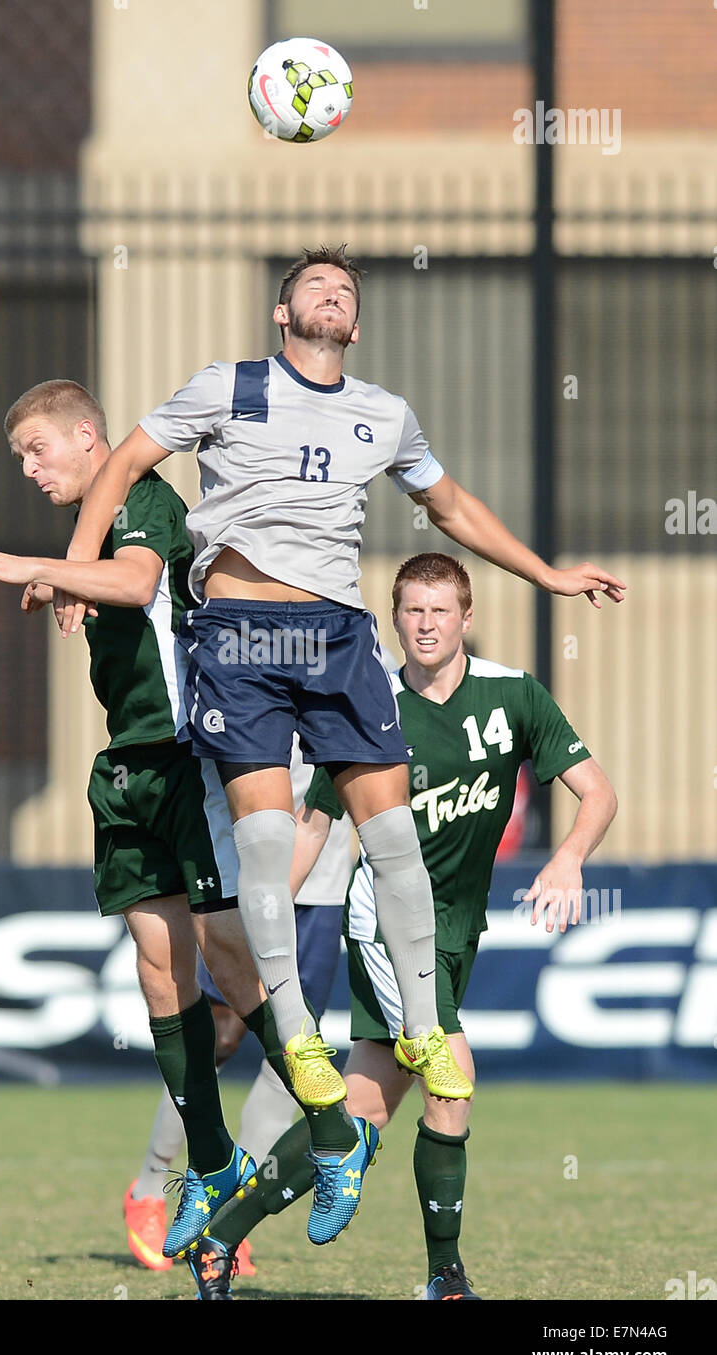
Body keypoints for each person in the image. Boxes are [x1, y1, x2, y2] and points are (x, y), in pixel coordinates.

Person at [58, 245, 626, 1170]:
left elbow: (453, 508)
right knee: (269, 846)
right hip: (238, 636)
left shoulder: (384, 413)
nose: (332, 296)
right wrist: (83, 571)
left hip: (337, 638)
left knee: (392, 837)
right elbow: (122, 463)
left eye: (345, 293)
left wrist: (547, 574)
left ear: (352, 327)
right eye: (314, 287)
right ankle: (300, 1041)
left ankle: (424, 1027)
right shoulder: (229, 386)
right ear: (283, 316)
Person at [0, 379, 370, 1253]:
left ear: (86, 436)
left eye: (38, 450)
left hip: (190, 756)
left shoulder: (144, 496)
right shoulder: (94, 526)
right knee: (158, 970)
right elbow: (107, 580)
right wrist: (64, 577)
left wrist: (40, 569)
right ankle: (213, 1160)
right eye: (20, 458)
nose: (29, 469)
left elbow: (139, 582)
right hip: (129, 765)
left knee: (225, 956)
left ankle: (331, 1129)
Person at [185, 552, 618, 1300]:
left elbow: (598, 793)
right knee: (452, 1080)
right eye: (412, 611)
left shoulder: (513, 696)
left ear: (465, 618)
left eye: (439, 610)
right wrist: (267, 917)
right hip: (383, 926)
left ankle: (220, 1238)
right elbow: (313, 825)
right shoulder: (365, 704)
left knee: (360, 1112)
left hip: (456, 931)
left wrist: (570, 859)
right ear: (395, 618)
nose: (425, 625)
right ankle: (444, 1279)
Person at [124, 733, 355, 1273]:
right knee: (221, 1034)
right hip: (237, 875)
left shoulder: (363, 655)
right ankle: (151, 1189)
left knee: (295, 1049)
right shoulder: (228, 649)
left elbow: (360, 755)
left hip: (318, 886)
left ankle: (226, 1214)